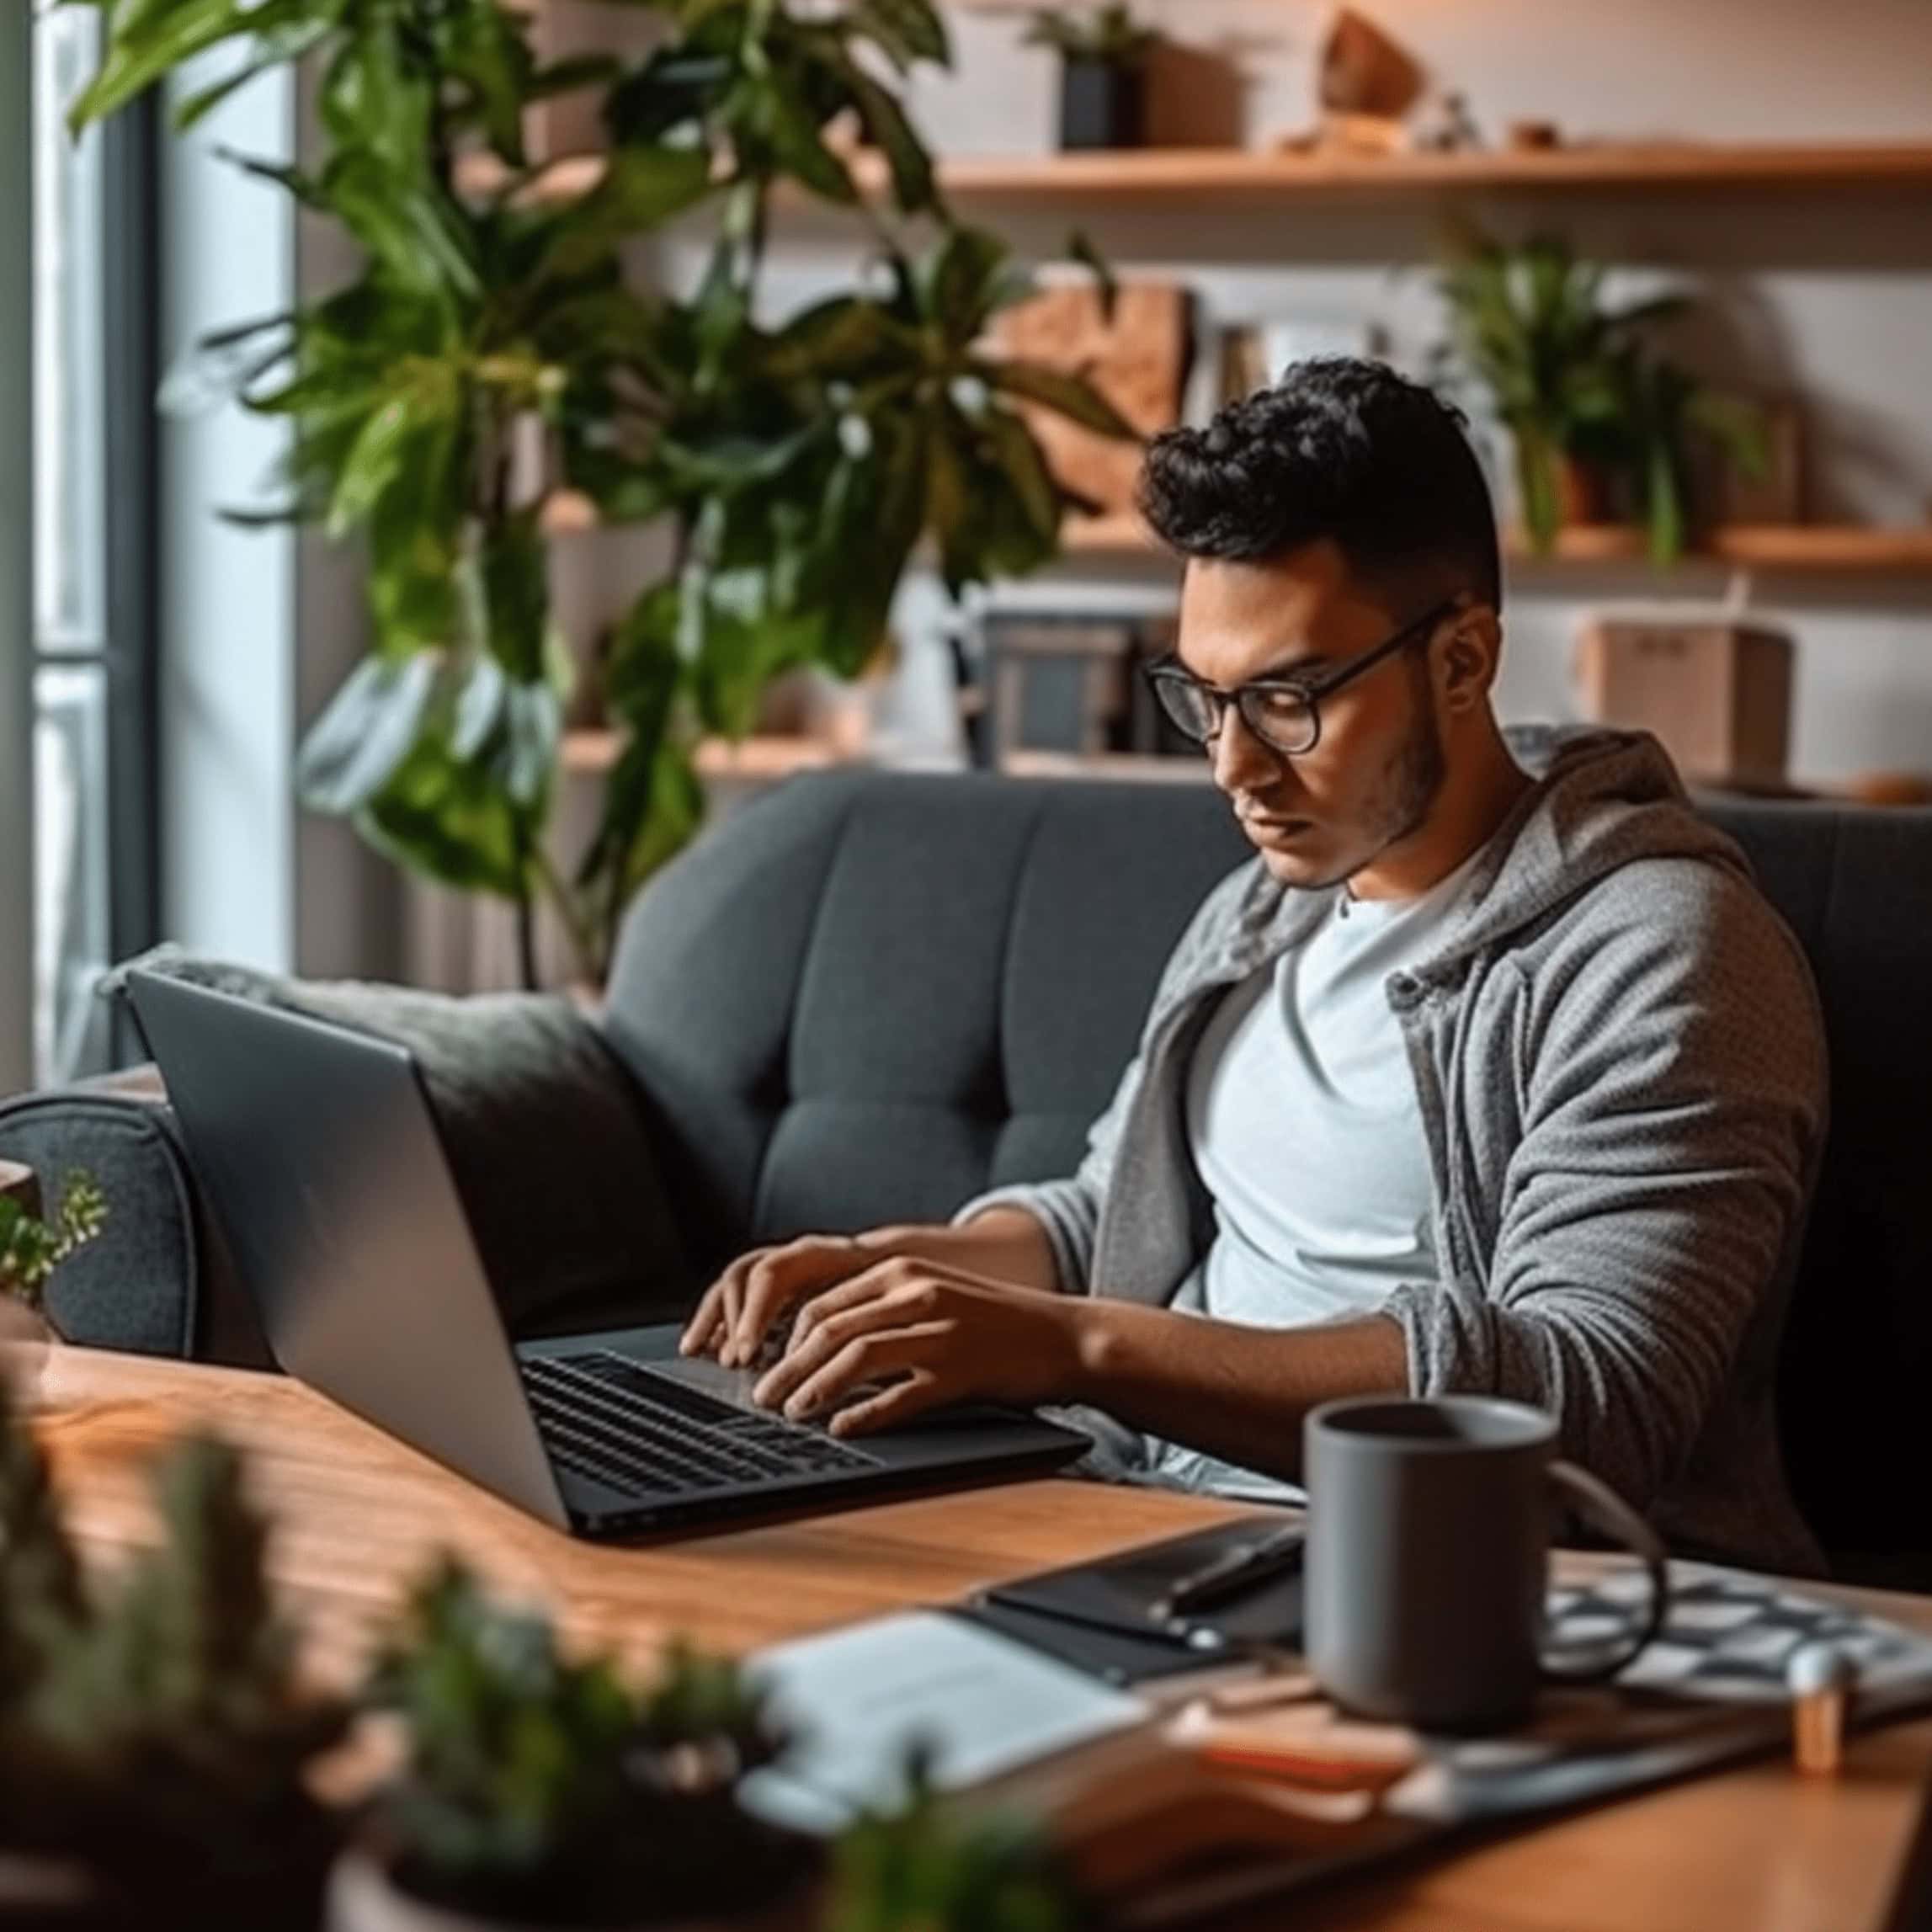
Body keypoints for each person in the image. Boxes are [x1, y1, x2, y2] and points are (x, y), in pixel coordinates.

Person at [679, 358, 1828, 1575]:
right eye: (1204, 698)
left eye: (1286, 699)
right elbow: (1106, 1219)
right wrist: (887, 1275)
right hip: (1122, 1515)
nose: (1233, 768)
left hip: (1434, 1584)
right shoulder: (1260, 911)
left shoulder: (1658, 951)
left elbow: (1591, 1399)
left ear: (1462, 660)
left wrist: (1078, 1349)